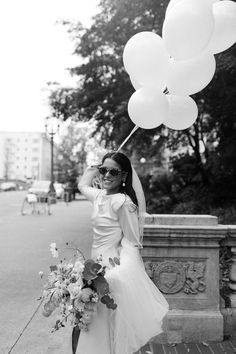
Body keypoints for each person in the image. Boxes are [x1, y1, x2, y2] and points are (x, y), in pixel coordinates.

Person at [75, 151, 169, 354]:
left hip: (111, 270)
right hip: (92, 266)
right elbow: (82, 186)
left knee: (104, 321)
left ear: (124, 176)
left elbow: (132, 242)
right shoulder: (99, 195)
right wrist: (92, 170)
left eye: (113, 172)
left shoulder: (124, 203)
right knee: (89, 318)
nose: (106, 176)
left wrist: (117, 274)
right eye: (103, 170)